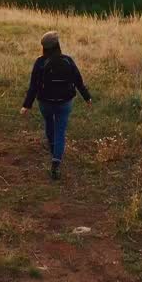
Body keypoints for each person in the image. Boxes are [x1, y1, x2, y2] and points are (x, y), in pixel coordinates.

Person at [20, 31, 92, 180]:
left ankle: (54, 151)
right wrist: (87, 98)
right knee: (60, 130)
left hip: (45, 102)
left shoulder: (39, 62)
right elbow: (78, 81)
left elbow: (33, 86)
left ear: (44, 47)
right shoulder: (68, 60)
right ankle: (56, 162)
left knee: (49, 124)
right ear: (58, 45)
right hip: (64, 103)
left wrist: (26, 105)